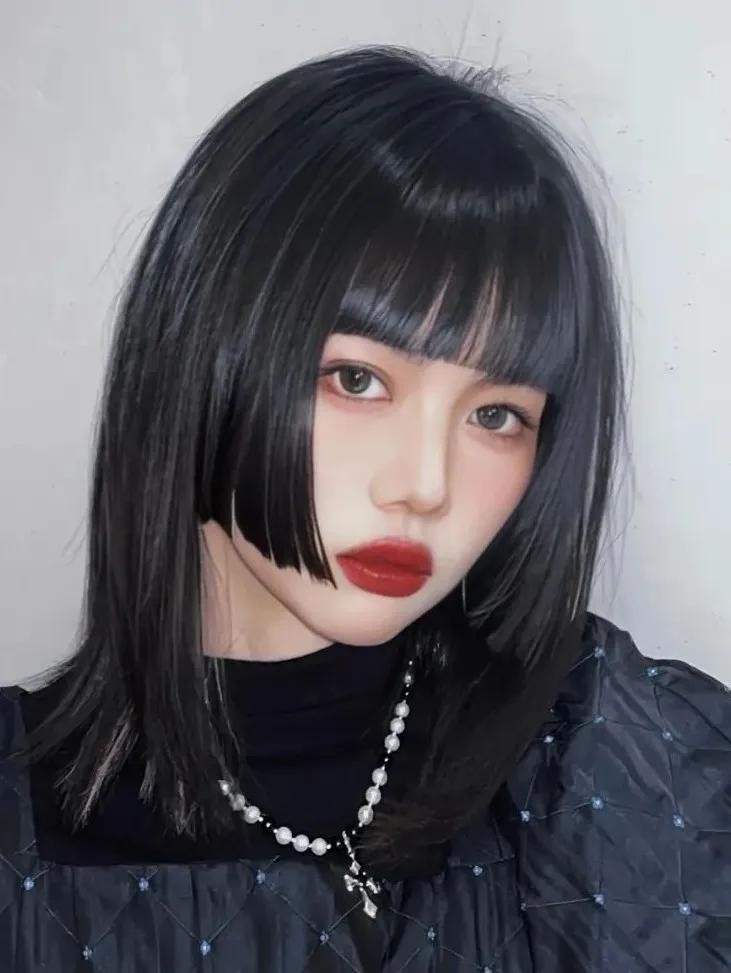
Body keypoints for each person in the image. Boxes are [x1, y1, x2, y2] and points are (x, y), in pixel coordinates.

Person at [1, 44, 729, 973]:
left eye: (495, 415)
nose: (423, 484)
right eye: (356, 379)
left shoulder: (636, 763)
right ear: (199, 354)